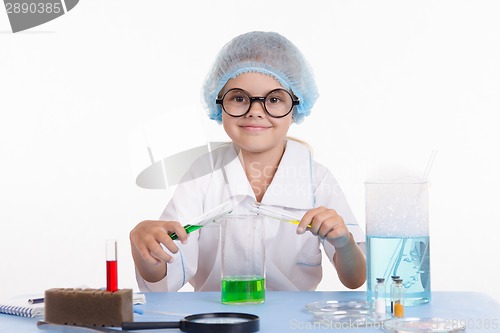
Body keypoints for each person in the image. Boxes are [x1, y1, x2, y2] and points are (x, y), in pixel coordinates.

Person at [130, 31, 366, 292]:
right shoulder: (203, 175)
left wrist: (344, 243)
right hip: (218, 322)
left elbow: (355, 278)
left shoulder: (316, 179)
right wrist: (145, 248)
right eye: (239, 98)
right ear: (219, 104)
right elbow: (163, 280)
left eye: (274, 99)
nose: (255, 110)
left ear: (296, 107)